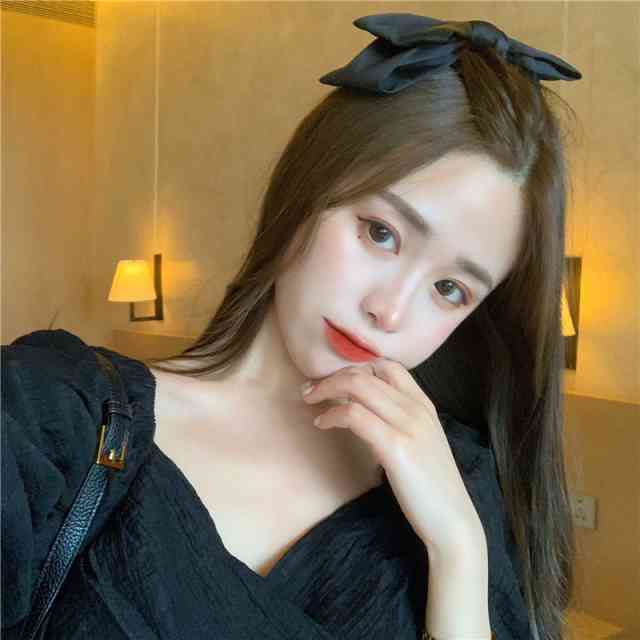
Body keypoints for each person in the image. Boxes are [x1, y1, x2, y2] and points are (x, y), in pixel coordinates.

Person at [2, 13, 582, 640]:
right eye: (380, 233)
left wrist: (458, 550)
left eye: (450, 289)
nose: (389, 311)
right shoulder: (54, 415)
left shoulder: (458, 491)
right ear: (307, 191)